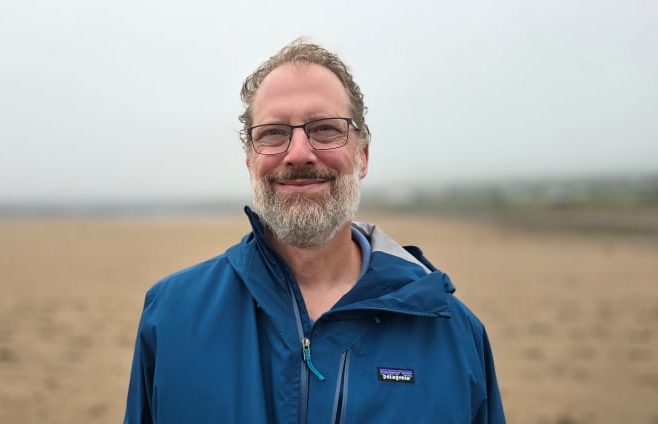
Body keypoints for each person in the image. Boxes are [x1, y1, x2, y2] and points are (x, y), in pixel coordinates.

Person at [124, 39, 505, 424]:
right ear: (250, 160)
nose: (299, 153)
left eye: (325, 129)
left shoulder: (454, 334)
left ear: (363, 157)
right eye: (273, 133)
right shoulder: (171, 317)